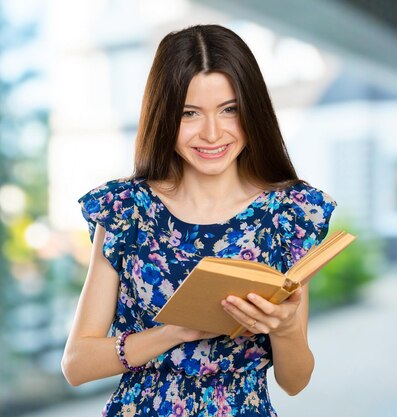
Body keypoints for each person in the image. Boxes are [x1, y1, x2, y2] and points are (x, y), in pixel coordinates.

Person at [61, 24, 336, 417]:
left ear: (252, 110)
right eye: (189, 113)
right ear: (164, 115)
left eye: (230, 109)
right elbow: (76, 363)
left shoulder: (288, 213)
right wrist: (174, 332)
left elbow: (295, 382)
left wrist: (285, 327)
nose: (212, 133)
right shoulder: (126, 209)